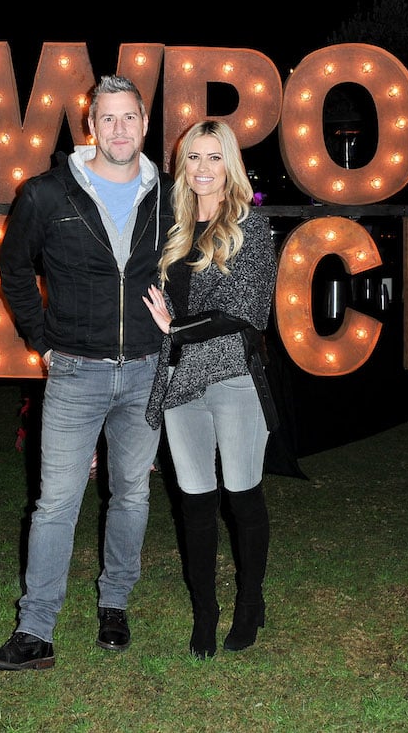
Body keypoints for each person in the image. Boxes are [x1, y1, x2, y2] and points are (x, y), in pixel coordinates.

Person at [0, 75, 173, 671]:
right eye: (107, 119)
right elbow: (12, 270)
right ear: (91, 126)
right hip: (75, 374)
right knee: (56, 503)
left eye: (129, 118)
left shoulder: (170, 193)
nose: (119, 129)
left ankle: (115, 605)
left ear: (143, 122)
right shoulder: (46, 193)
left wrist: (174, 328)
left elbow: (191, 265)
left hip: (145, 372)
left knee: (131, 496)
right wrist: (41, 341)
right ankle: (35, 632)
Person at [142, 120, 278, 658]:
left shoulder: (252, 225)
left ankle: (250, 603)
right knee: (194, 504)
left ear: (230, 164)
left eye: (213, 157)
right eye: (192, 157)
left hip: (233, 377)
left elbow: (250, 311)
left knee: (243, 497)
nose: (201, 168)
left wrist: (176, 328)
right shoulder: (169, 228)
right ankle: (206, 612)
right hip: (179, 382)